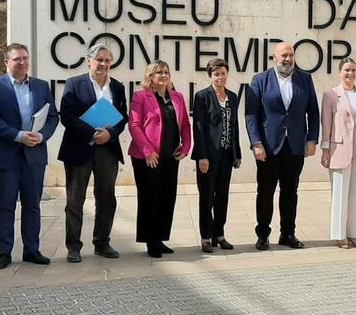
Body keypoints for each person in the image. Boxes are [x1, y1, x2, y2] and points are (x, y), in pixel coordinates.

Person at [0, 43, 59, 269]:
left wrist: (42, 136)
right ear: (6, 62)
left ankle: (32, 250)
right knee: (5, 205)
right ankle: (4, 253)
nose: (23, 62)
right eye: (17, 59)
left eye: (25, 58)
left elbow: (53, 117)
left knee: (32, 205)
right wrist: (17, 135)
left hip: (34, 155)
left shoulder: (41, 86)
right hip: (7, 155)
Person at [57, 44, 128, 263]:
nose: (103, 65)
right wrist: (92, 133)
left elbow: (122, 116)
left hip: (107, 149)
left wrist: (110, 134)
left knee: (106, 197)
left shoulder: (117, 87)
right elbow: (67, 116)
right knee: (75, 199)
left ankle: (102, 243)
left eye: (107, 61)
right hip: (79, 147)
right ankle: (73, 246)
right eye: (99, 60)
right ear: (89, 60)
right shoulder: (74, 84)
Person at [245, 42, 320, 250]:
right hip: (268, 147)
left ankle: (288, 234)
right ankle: (263, 235)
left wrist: (312, 139)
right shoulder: (260, 80)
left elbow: (313, 111)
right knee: (265, 192)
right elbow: (251, 114)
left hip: (295, 146)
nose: (287, 59)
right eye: (283, 55)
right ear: (274, 58)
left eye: (291, 55)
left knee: (290, 192)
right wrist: (256, 143)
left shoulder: (305, 79)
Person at [128, 61, 192, 258]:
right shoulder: (141, 96)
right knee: (150, 198)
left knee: (167, 198)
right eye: (159, 72)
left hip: (170, 157)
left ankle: (161, 238)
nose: (163, 75)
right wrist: (147, 151)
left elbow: (185, 125)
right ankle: (151, 241)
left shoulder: (177, 97)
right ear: (150, 76)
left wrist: (186, 146)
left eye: (166, 72)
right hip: (147, 157)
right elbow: (134, 125)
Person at [320, 58, 356, 248]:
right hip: (339, 149)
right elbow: (326, 123)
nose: (350, 74)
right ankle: (340, 234)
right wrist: (325, 149)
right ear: (339, 72)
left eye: (353, 70)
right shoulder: (330, 95)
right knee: (340, 193)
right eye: (346, 70)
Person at [191, 58, 241, 253]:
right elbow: (199, 127)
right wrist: (202, 156)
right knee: (206, 196)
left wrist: (237, 153)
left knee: (222, 196)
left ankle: (219, 234)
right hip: (208, 157)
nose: (221, 77)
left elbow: (234, 126)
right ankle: (205, 237)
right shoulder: (202, 96)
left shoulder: (233, 97)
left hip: (227, 155)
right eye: (216, 74)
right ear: (210, 76)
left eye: (223, 73)